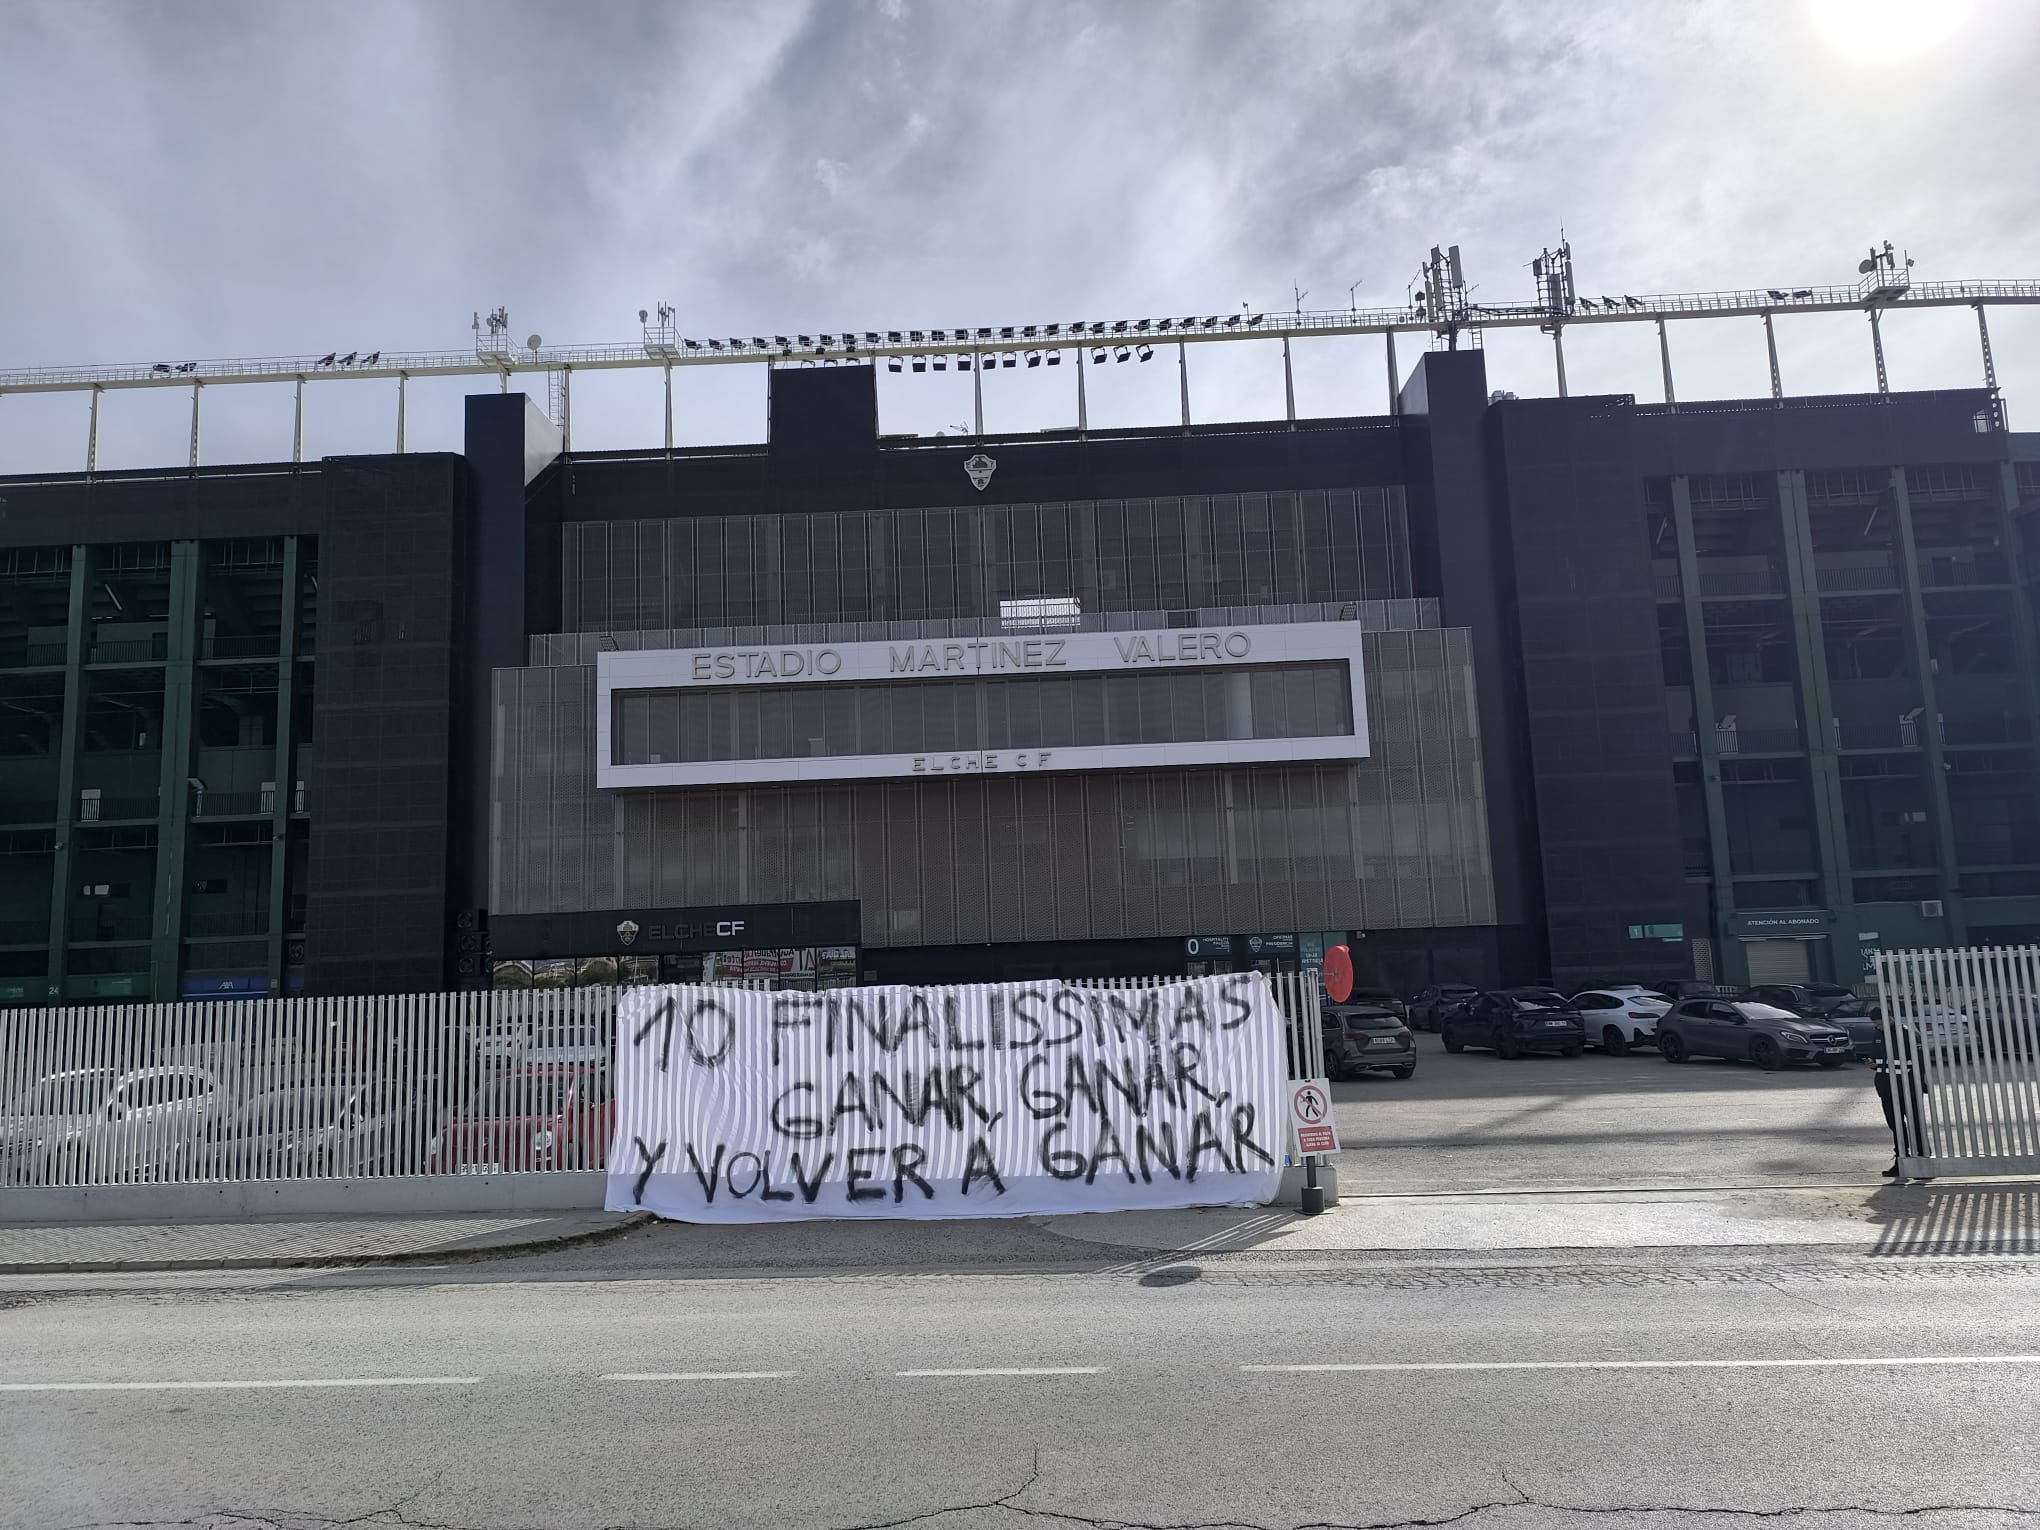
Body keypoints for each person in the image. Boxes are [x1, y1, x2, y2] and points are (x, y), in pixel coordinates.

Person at [1870, 1006, 1930, 1179]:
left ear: (1891, 1017)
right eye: (1876, 1025)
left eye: (1880, 1024)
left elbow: (1919, 1062)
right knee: (1896, 1126)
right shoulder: (1878, 1035)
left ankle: (1922, 1161)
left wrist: (1918, 1084)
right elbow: (1879, 1059)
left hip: (1907, 1087)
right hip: (1886, 1088)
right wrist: (1872, 1064)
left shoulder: (1907, 1034)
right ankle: (1901, 1160)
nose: (1878, 1027)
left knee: (1915, 1123)